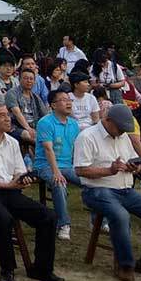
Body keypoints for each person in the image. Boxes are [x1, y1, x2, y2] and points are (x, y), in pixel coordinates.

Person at [0, 98, 62, 281]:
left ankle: (42, 269)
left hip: (10, 191)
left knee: (48, 216)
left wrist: (23, 179)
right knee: (3, 219)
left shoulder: (12, 142)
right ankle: (7, 270)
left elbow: (18, 170)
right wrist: (7, 186)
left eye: (7, 115)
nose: (8, 119)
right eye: (2, 116)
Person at [74, 103, 141, 281]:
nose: (121, 132)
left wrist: (133, 167)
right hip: (97, 189)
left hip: (125, 189)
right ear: (108, 120)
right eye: (119, 128)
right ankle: (125, 264)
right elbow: (81, 170)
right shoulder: (87, 137)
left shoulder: (124, 137)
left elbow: (130, 160)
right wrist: (109, 171)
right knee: (120, 216)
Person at [34, 88, 82, 241]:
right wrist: (56, 172)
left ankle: (100, 220)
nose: (68, 102)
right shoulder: (45, 122)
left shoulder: (74, 124)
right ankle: (63, 224)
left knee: (91, 181)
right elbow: (48, 149)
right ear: (53, 105)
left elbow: (78, 148)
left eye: (69, 100)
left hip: (68, 166)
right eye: (63, 100)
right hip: (45, 165)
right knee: (59, 183)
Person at [5, 67, 47, 146]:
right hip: (16, 126)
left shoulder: (36, 97)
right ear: (19, 80)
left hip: (34, 126)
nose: (29, 81)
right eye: (25, 78)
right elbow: (17, 113)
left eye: (31, 79)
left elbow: (44, 114)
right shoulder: (12, 93)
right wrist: (28, 128)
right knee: (28, 135)